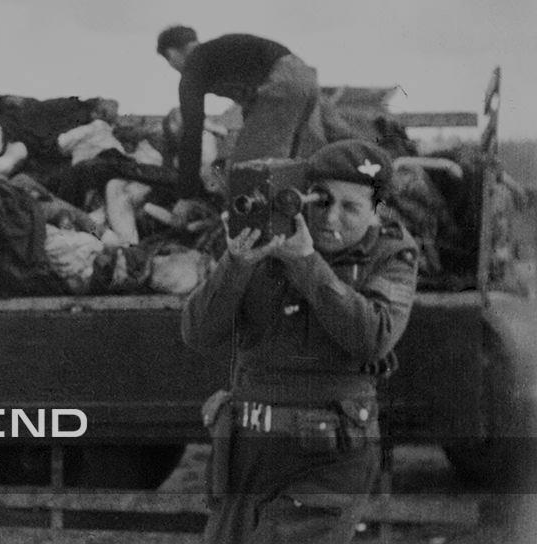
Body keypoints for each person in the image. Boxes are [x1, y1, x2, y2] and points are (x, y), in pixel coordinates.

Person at [182, 140, 419, 543]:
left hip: (327, 459)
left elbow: (373, 337)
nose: (331, 218)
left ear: (377, 212)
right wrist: (235, 265)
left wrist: (306, 263)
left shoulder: (390, 255)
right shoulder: (268, 240)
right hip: (247, 455)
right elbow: (198, 333)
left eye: (350, 207)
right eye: (321, 201)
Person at [156, 26, 326, 226]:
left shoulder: (194, 65)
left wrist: (186, 195)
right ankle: (299, 222)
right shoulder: (221, 52)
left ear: (171, 53)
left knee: (245, 173)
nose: (173, 67)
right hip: (306, 77)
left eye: (169, 61)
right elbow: (254, 99)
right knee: (291, 165)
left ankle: (253, 233)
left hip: (282, 83)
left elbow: (191, 133)